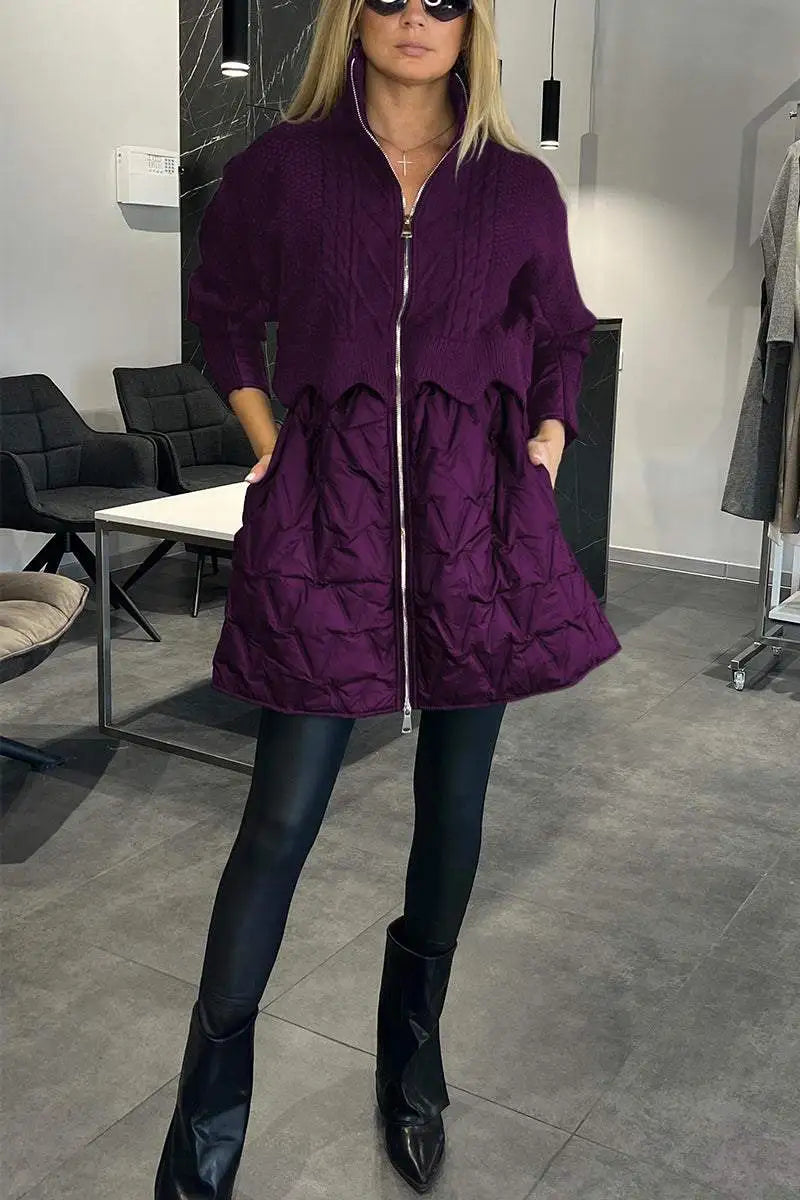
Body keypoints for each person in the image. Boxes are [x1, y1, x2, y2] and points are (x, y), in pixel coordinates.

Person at [154, 0, 622, 1196]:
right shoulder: (282, 169)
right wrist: (270, 439)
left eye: (443, 1)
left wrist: (546, 442)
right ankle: (204, 1129)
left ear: (473, 27)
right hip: (327, 522)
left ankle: (410, 1064)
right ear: (351, 17)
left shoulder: (515, 186)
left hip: (476, 529)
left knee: (452, 810)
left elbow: (561, 333)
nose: (416, 18)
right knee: (277, 821)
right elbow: (222, 316)